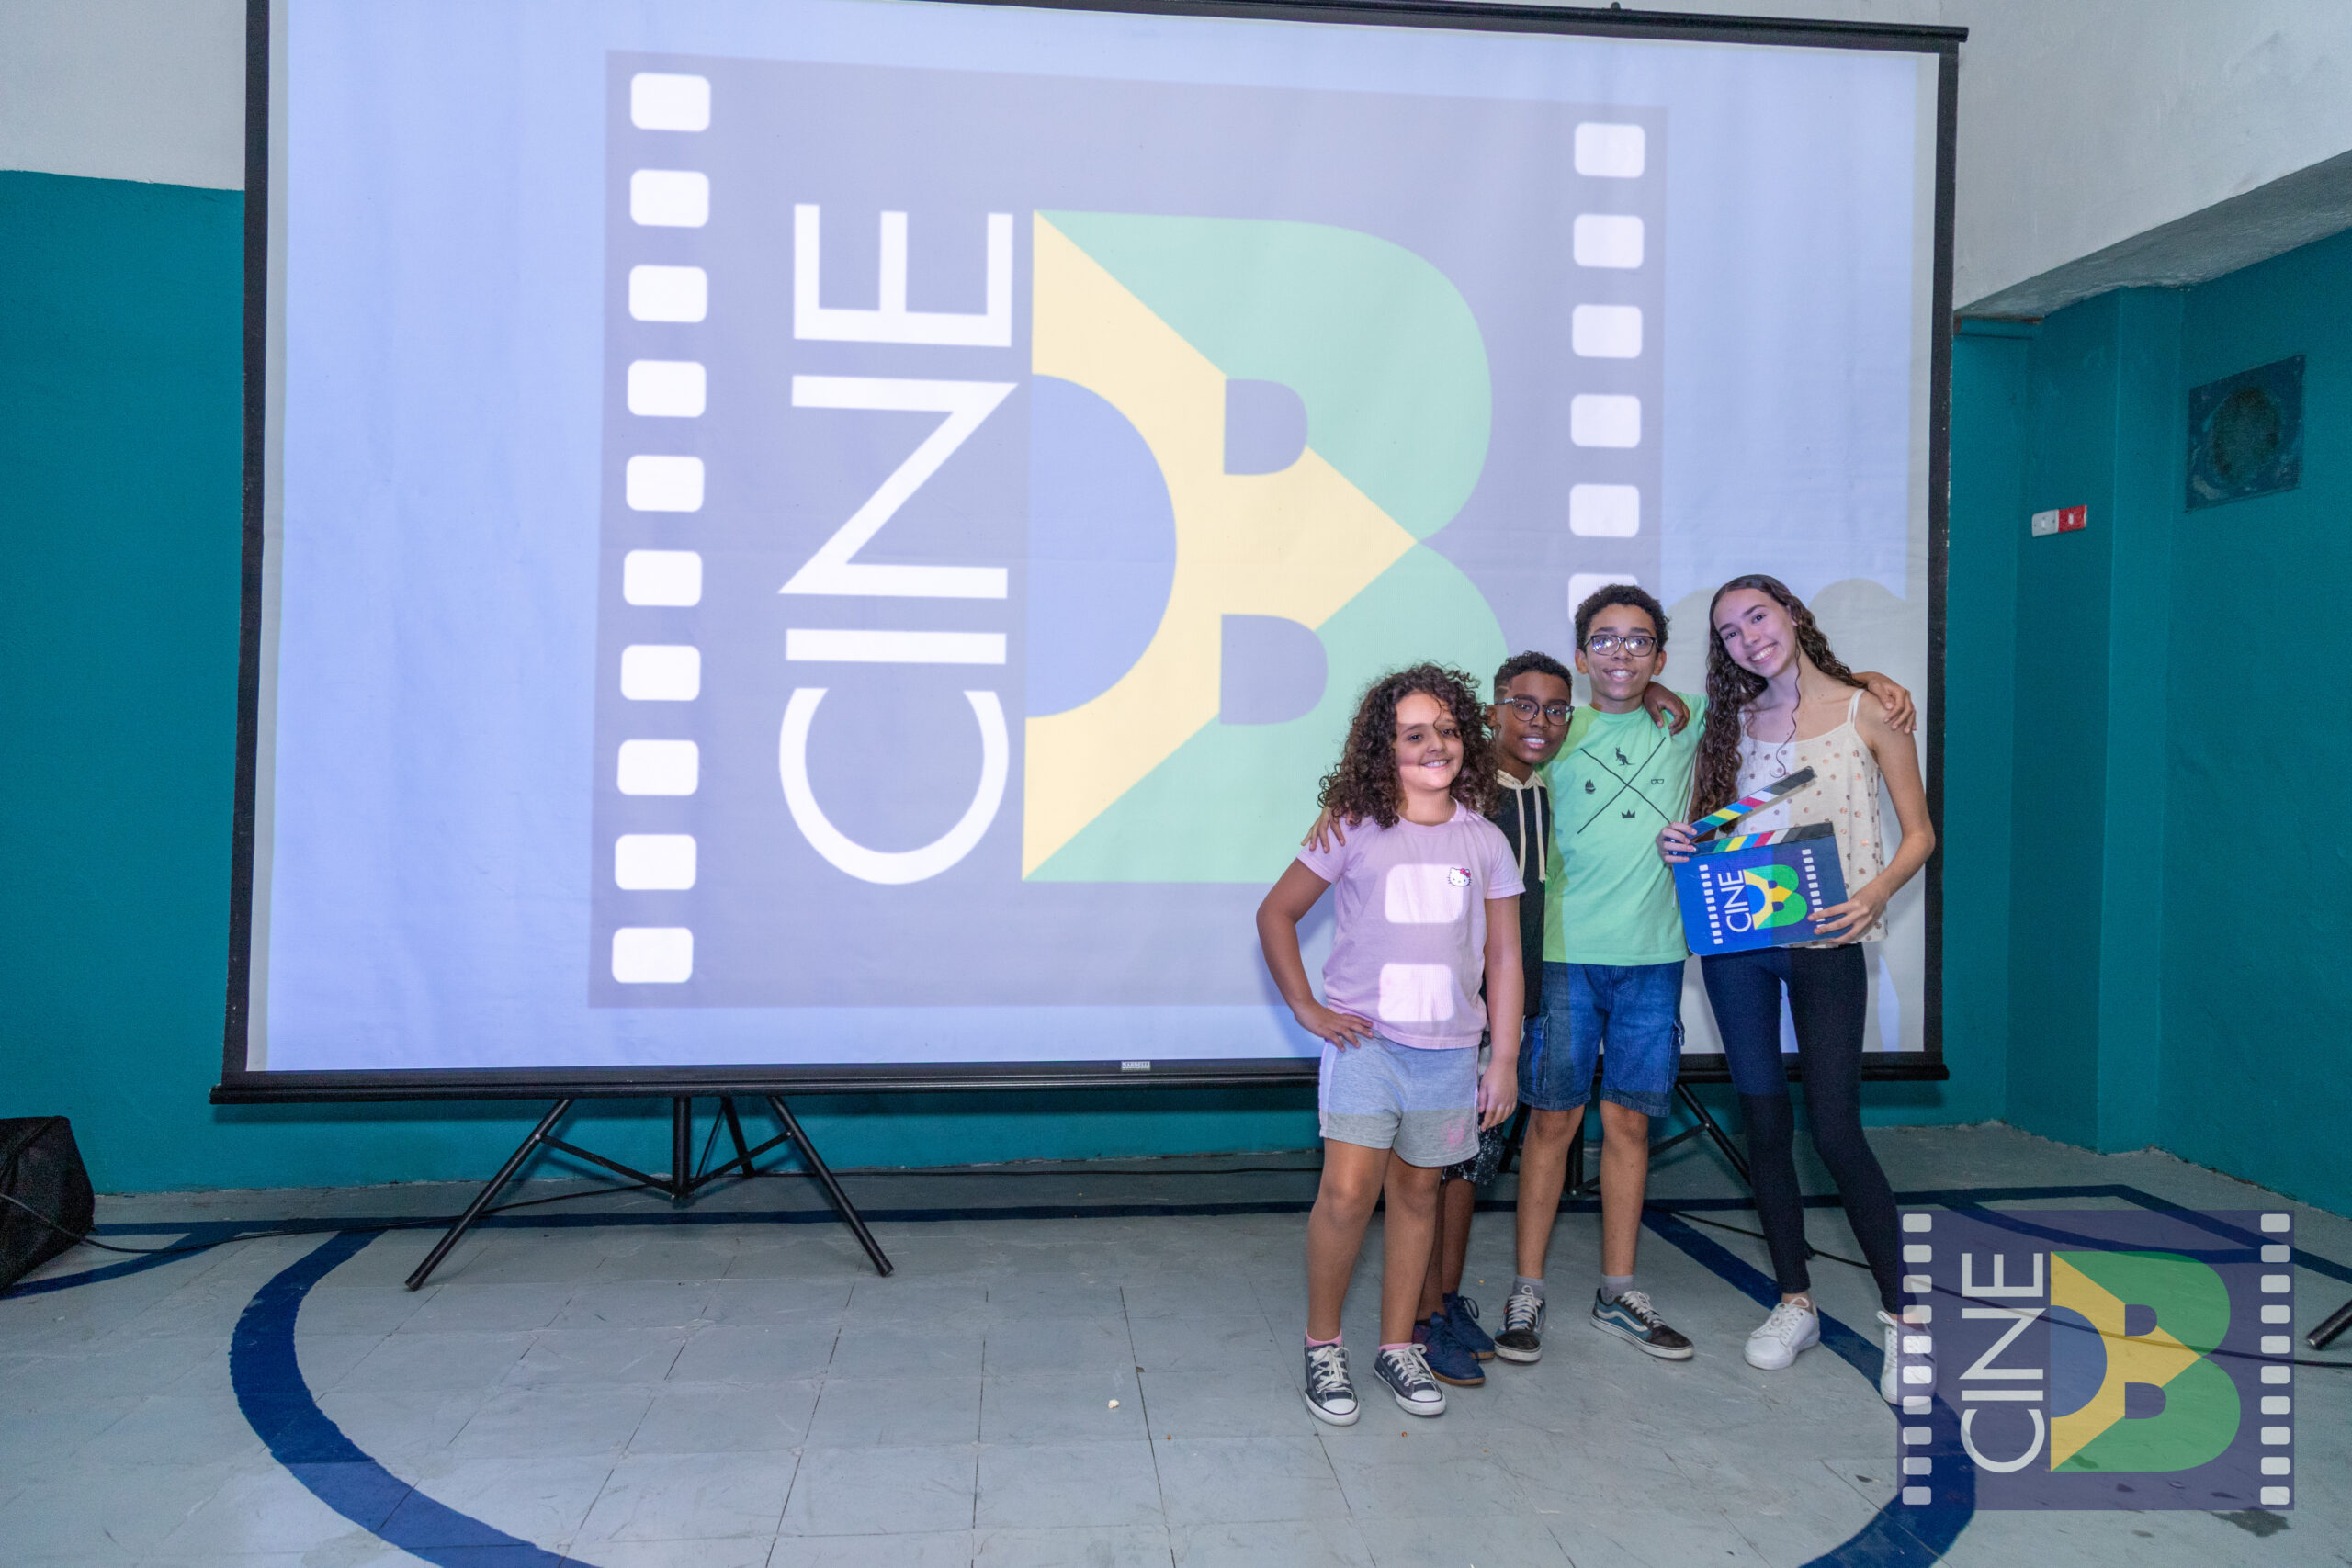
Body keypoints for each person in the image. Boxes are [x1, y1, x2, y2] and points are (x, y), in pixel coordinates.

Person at [1495, 585, 1914, 1369]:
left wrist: (1873, 680)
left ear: (1661, 657)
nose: (1621, 654)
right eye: (1604, 641)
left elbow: (1802, 696)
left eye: (1640, 642)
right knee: (1567, 1123)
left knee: (1652, 1126)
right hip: (1594, 953)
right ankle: (1533, 1287)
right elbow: (1491, 737)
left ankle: (1623, 1290)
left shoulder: (1696, 718)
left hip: (1673, 953)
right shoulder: (1570, 726)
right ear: (1581, 655)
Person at [1658, 574, 1933, 1398]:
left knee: (1837, 1130)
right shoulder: (1731, 724)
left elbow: (1919, 834)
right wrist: (1685, 842)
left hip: (1827, 939)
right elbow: (1727, 827)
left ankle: (1906, 1321)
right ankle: (1794, 1300)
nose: (1749, 637)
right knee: (1765, 1124)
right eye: (1730, 631)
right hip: (1739, 945)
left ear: (1791, 614)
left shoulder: (1869, 709)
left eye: (1758, 616)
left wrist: (1875, 895)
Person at [1257, 664, 1524, 1424]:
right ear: (1384, 748)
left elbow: (1505, 956)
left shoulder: (1485, 840)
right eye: (1414, 734)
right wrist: (1307, 1007)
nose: (1435, 744)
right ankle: (1323, 1344)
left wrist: (1503, 1058)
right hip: (1366, 1049)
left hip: (1449, 1054)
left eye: (1448, 730)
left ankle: (1398, 1344)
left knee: (1417, 1195)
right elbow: (1276, 913)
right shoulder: (1350, 825)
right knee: (1347, 1195)